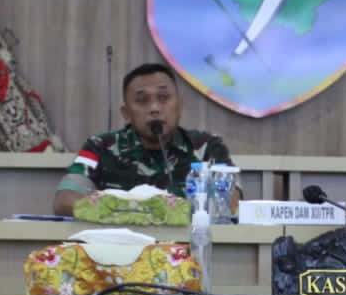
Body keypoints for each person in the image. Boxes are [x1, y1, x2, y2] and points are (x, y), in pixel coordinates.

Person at [54, 62, 240, 216]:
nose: (154, 108)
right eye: (142, 100)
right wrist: (129, 213)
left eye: (163, 97)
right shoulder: (100, 147)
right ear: (126, 113)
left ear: (180, 107)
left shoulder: (207, 147)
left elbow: (231, 202)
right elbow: (65, 201)